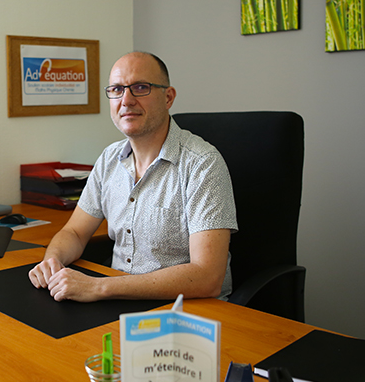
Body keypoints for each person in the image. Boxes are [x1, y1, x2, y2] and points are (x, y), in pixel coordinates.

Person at [28, 52, 238, 302]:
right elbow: (74, 232)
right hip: (115, 302)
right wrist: (53, 260)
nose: (126, 100)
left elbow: (208, 277)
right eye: (117, 89)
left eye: (140, 88)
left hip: (183, 312)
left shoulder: (202, 164)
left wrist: (100, 287)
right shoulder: (109, 159)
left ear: (168, 97)